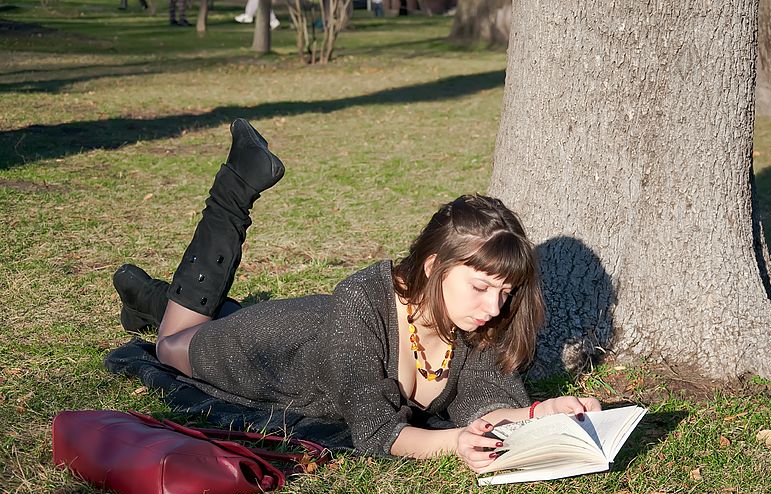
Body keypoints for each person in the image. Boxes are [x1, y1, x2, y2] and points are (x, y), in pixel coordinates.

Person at [112, 119, 601, 471]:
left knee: (194, 319)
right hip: (258, 348)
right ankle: (236, 185)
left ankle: (152, 299)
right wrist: (456, 444)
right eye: (480, 287)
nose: (494, 307)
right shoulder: (362, 301)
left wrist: (541, 412)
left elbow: (484, 403)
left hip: (316, 332)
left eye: (505, 291)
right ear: (435, 266)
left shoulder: (478, 317)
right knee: (170, 345)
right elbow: (376, 432)